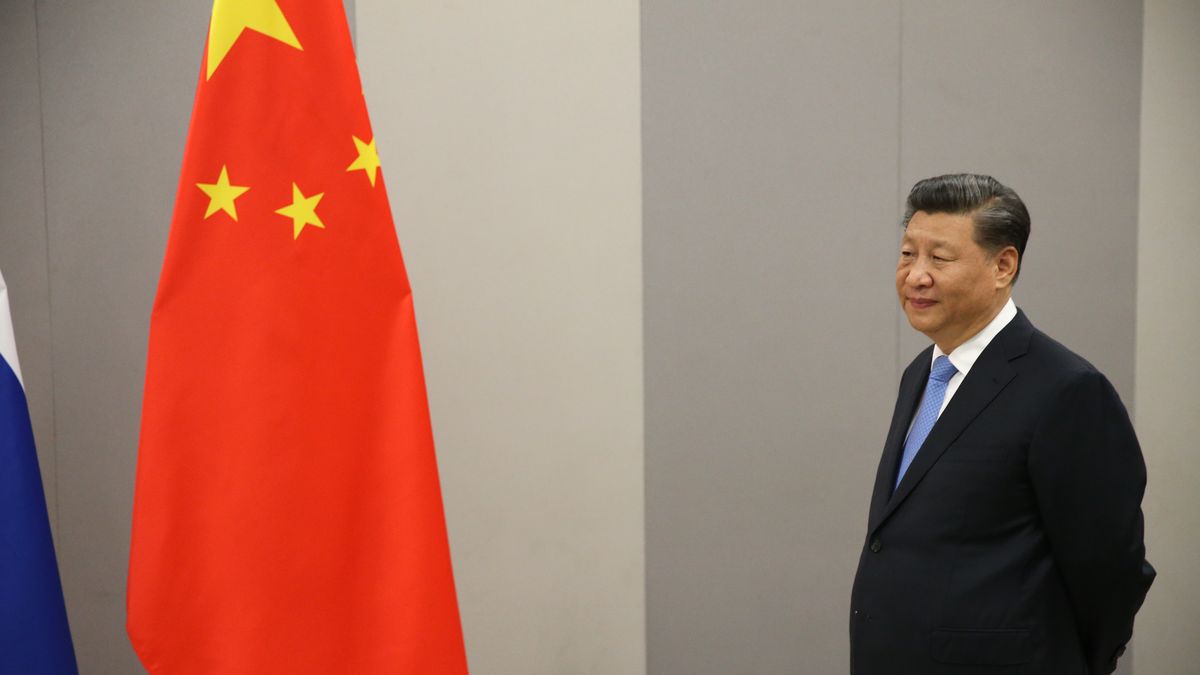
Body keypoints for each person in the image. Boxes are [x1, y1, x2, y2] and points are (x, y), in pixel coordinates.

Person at [849, 174, 1155, 675]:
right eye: (908, 254)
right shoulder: (922, 374)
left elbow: (1110, 571)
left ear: (1003, 265)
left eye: (939, 259)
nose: (916, 275)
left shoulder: (1065, 390)